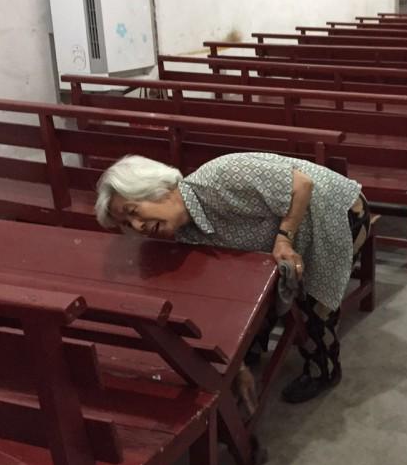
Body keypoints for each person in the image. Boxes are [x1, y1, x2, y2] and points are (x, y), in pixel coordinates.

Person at [94, 152, 371, 404]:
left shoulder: (220, 177)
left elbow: (303, 185)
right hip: (284, 227)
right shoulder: (182, 232)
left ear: (159, 189)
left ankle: (323, 370)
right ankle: (248, 350)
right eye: (127, 225)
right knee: (254, 288)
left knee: (313, 301)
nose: (138, 227)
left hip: (335, 210)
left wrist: (284, 239)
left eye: (133, 212)